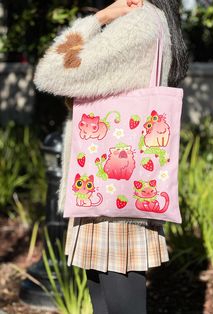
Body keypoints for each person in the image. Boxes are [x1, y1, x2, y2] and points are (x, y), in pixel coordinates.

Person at [33, 0, 188, 313]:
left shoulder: (139, 24)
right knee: (106, 302)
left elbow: (53, 70)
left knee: (119, 305)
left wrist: (99, 19)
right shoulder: (152, 22)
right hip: (111, 186)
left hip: (113, 191)